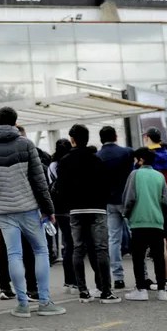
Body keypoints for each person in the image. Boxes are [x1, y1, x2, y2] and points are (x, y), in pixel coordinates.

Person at [0, 107, 65, 319]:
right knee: (40, 251)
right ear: (15, 123)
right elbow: (39, 180)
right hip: (29, 207)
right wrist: (48, 209)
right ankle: (44, 302)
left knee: (13, 254)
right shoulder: (26, 144)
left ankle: (23, 304)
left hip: (4, 210)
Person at [54, 125, 120, 303]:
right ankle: (106, 291)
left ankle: (83, 291)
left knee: (78, 249)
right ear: (87, 138)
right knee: (101, 250)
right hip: (97, 209)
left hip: (76, 210)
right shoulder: (96, 160)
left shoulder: (65, 161)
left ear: (73, 140)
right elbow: (105, 184)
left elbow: (61, 188)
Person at [121, 148, 167, 302]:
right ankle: (162, 290)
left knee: (138, 257)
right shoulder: (159, 176)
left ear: (141, 160)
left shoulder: (134, 174)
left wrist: (126, 214)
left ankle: (141, 289)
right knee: (158, 256)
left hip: (138, 221)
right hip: (156, 222)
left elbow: (129, 199)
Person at [143, 127, 167, 290]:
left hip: (153, 204)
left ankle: (165, 280)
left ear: (147, 138)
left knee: (159, 242)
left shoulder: (145, 158)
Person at [96, 125, 134, 290]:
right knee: (136, 237)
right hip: (127, 200)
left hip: (109, 202)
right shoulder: (127, 152)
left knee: (113, 239)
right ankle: (144, 275)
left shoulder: (98, 156)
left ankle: (118, 277)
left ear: (101, 139)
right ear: (116, 137)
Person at [47, 138, 76, 293]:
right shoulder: (71, 162)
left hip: (58, 207)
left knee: (67, 243)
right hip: (72, 207)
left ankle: (68, 280)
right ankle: (76, 280)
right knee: (73, 243)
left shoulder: (52, 165)